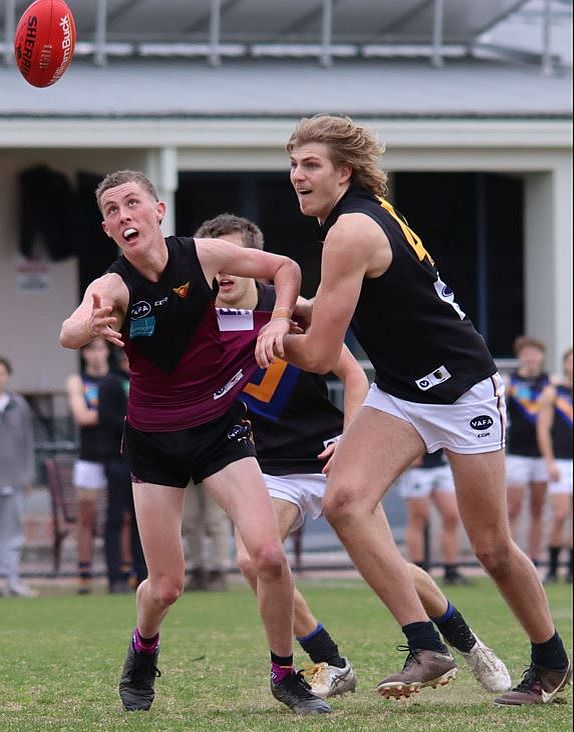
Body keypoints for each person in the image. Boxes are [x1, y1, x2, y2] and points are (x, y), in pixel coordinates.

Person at [280, 114, 570, 705]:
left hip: (461, 389)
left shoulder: (351, 229)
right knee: (344, 502)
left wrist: (266, 336)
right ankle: (425, 645)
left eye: (311, 165)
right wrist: (290, 314)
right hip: (403, 390)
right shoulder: (351, 220)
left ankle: (550, 660)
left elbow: (317, 356)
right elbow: (350, 311)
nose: (297, 176)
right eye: (293, 165)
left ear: (345, 171)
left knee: (489, 547)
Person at [201, 212, 509, 699]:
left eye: (234, 258)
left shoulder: (290, 309)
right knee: (252, 560)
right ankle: (329, 658)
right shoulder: (197, 322)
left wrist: (350, 439)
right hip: (267, 469)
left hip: (325, 459)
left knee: (393, 567)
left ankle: (470, 646)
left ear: (259, 264)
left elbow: (352, 375)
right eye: (213, 259)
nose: (224, 270)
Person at [57, 169, 330, 714]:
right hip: (154, 441)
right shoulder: (113, 286)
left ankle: (284, 674)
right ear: (107, 230)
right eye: (111, 210)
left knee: (269, 555)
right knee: (166, 587)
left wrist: (280, 316)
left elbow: (286, 267)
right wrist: (90, 324)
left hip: (219, 429)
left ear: (158, 211)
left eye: (132, 203)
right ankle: (143, 650)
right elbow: (69, 330)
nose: (123, 215)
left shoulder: (202, 256)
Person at [66, 336, 112, 594]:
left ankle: (124, 569)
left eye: (100, 349)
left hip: (116, 455)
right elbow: (82, 416)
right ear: (85, 354)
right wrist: (113, 413)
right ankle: (84, 572)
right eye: (91, 350)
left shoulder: (117, 380)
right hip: (89, 457)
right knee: (87, 517)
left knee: (123, 517)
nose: (96, 355)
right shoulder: (78, 381)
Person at [98, 348, 146, 594]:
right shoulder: (110, 383)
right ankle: (114, 575)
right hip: (117, 459)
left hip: (141, 458)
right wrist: (136, 425)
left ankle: (144, 574)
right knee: (116, 518)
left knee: (142, 519)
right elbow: (106, 418)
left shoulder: (143, 379)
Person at [505, 336, 552, 566]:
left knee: (537, 509)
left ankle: (535, 557)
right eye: (526, 353)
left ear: (542, 356)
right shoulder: (510, 384)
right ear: (520, 356)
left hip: (542, 455)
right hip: (517, 454)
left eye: (535, 352)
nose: (531, 357)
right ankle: (511, 558)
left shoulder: (550, 383)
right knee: (512, 508)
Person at [400, 449, 468, 585]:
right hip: (418, 469)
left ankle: (451, 570)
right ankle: (419, 570)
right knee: (419, 518)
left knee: (451, 516)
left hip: (440, 466)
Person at [536, 348, 573, 584]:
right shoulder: (553, 393)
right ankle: (551, 567)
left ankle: (570, 568)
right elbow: (543, 430)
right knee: (559, 514)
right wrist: (549, 462)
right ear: (565, 365)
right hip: (560, 461)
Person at [0, 356, 37, 598]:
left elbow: (28, 441)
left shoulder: (19, 404)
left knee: (12, 533)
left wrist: (28, 475)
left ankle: (11, 579)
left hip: (12, 478)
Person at [180, 482, 232, 591]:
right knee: (189, 519)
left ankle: (219, 570)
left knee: (216, 519)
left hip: (214, 469)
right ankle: (197, 570)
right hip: (185, 473)